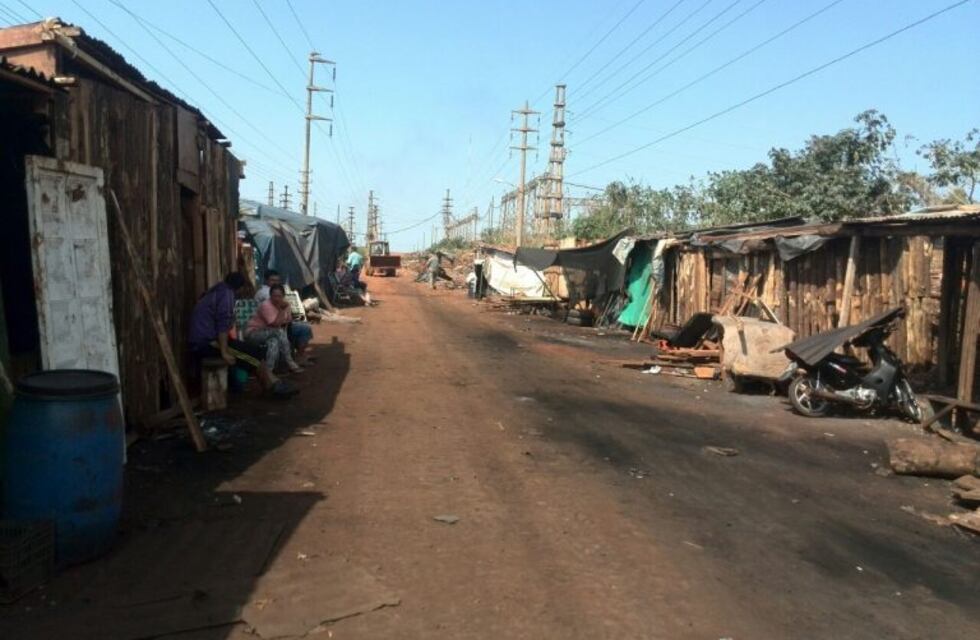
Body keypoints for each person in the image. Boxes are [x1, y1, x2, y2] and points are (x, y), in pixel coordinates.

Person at [189, 272, 297, 398]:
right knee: (250, 356)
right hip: (206, 343)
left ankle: (272, 382)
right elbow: (223, 327)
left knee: (254, 351)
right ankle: (271, 385)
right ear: (240, 287)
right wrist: (224, 352)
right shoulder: (226, 295)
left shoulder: (220, 290)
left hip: (212, 339)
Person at [255, 270, 314, 363]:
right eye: (272, 280)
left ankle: (298, 355)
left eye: (277, 280)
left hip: (277, 323)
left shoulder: (271, 291)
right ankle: (299, 356)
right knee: (305, 328)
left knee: (298, 327)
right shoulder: (265, 292)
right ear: (266, 281)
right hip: (270, 326)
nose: (276, 282)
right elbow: (283, 308)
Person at [245, 284, 305, 374]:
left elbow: (288, 320)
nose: (276, 299)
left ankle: (269, 372)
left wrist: (286, 309)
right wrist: (281, 310)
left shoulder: (284, 304)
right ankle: (290, 362)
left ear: (283, 296)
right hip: (254, 333)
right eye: (274, 296)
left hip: (269, 333)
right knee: (279, 332)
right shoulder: (266, 305)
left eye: (279, 296)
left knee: (273, 342)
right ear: (270, 295)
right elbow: (276, 324)